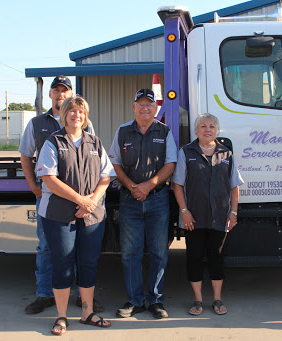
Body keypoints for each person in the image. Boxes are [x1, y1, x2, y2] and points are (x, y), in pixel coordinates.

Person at [19, 75, 102, 314]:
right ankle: (45, 295)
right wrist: (34, 186)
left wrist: (88, 199)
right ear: (50, 94)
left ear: (70, 93)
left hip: (81, 202)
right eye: (56, 90)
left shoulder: (84, 121)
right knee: (47, 247)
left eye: (65, 90)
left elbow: (93, 157)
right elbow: (26, 155)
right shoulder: (36, 124)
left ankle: (80, 296)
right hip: (51, 198)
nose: (60, 94)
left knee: (78, 248)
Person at [36, 95, 113, 335]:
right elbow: (49, 178)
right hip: (59, 215)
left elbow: (106, 177)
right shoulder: (53, 142)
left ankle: (87, 313)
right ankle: (61, 317)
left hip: (92, 215)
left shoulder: (95, 142)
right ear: (64, 114)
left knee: (88, 263)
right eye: (72, 111)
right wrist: (80, 200)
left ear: (85, 116)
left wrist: (90, 202)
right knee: (63, 264)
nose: (76, 115)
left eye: (81, 112)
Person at [108, 88, 177, 319]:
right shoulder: (122, 131)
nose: (145, 107)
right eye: (141, 103)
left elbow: (170, 164)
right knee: (130, 252)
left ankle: (156, 300)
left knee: (159, 252)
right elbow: (115, 163)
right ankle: (134, 300)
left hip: (157, 199)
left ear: (155, 108)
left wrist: (148, 186)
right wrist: (131, 187)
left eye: (150, 103)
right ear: (134, 106)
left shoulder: (165, 131)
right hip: (130, 200)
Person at [172, 113, 243, 316]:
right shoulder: (186, 152)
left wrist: (233, 213)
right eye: (203, 126)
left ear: (217, 130)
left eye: (212, 126)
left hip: (219, 218)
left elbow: (234, 186)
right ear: (196, 131)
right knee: (194, 258)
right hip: (193, 218)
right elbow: (177, 185)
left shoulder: (226, 154)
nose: (207, 129)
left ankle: (217, 299)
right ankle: (198, 300)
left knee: (216, 257)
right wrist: (184, 212)